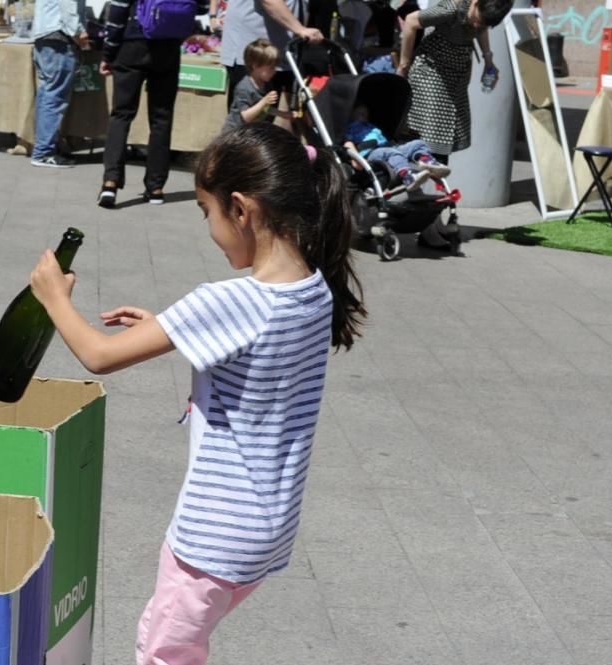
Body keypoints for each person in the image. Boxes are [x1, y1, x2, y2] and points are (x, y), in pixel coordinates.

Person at [30, 123, 365, 664]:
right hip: (266, 529)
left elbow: (98, 355)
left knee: (164, 650)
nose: (207, 227)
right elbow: (258, 358)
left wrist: (54, 299)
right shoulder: (313, 287)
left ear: (241, 209)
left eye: (204, 212)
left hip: (214, 535)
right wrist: (171, 326)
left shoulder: (229, 301)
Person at [96, 0, 209, 208]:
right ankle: (155, 188)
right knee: (161, 118)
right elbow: (201, 8)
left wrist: (108, 54)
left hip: (131, 44)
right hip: (167, 47)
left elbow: (118, 13)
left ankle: (110, 183)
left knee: (121, 115)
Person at [396, 0, 512, 162]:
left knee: (444, 140)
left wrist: (488, 59)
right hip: (432, 73)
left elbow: (480, 28)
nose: (477, 25)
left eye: (483, 24)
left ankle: (430, 176)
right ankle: (409, 173)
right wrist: (403, 66)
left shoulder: (483, 13)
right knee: (431, 136)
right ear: (475, 3)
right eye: (477, 19)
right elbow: (410, 21)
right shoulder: (451, 9)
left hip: (458, 75)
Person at [220, 0, 324, 112]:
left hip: (284, 53)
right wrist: (300, 29)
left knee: (268, 118)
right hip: (254, 53)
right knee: (250, 121)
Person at [30, 0, 90, 168]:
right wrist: (80, 33)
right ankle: (43, 152)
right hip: (58, 39)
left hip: (45, 36)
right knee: (53, 97)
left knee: (47, 95)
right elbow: (68, 8)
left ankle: (44, 147)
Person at [343, 102, 451, 191]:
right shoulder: (350, 129)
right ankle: (407, 176)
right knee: (393, 153)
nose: (364, 116)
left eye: (365, 114)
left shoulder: (371, 126)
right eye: (360, 114)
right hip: (371, 153)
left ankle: (427, 162)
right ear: (350, 116)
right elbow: (348, 144)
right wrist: (356, 159)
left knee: (418, 143)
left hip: (389, 147)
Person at [222, 38, 295, 133]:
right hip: (235, 134)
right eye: (271, 67)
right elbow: (245, 116)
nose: (274, 71)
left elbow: (265, 109)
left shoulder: (266, 84)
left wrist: (283, 114)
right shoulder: (244, 88)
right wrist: (264, 101)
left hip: (251, 132)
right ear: (255, 66)